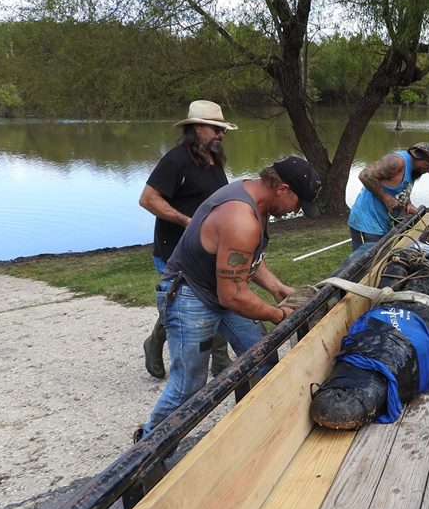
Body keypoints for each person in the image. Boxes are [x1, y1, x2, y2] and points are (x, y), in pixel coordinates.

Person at [136, 156, 321, 439]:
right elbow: (233, 295)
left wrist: (276, 287)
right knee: (189, 385)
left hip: (220, 290)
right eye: (298, 203)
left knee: (261, 356)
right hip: (189, 294)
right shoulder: (240, 218)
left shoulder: (255, 198)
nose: (296, 210)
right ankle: (146, 451)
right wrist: (278, 314)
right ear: (283, 189)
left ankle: (257, 427)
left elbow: (247, 258)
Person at [139, 100, 235, 379]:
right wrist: (187, 222)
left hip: (208, 250)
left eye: (223, 129)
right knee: (195, 302)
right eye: (216, 129)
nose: (221, 134)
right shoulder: (175, 160)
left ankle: (214, 360)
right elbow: (148, 199)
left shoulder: (214, 160)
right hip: (175, 251)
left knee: (208, 299)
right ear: (196, 128)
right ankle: (213, 359)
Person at [347, 141, 429, 251]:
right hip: (366, 223)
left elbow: (403, 186)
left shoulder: (414, 171)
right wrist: (387, 199)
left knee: (380, 260)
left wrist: (408, 204)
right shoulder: (396, 162)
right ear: (421, 157)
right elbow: (364, 175)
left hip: (382, 224)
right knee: (366, 263)